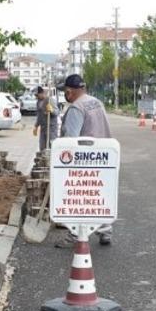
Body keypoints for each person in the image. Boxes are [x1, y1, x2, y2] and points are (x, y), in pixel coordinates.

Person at [55, 74, 114, 247]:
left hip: (83, 160)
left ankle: (74, 235)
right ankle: (105, 232)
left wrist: (60, 160)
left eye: (65, 92)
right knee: (98, 195)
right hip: (103, 156)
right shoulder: (96, 102)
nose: (65, 95)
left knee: (79, 196)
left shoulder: (76, 108)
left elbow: (70, 140)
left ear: (69, 91)